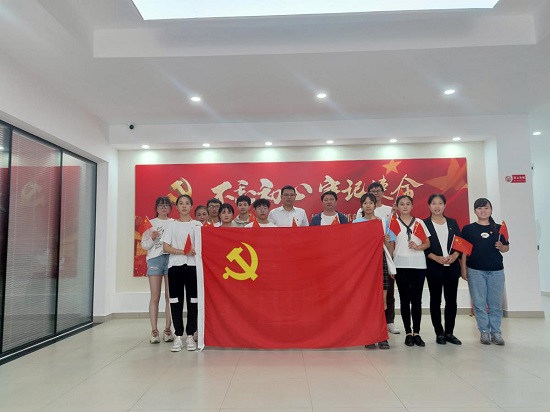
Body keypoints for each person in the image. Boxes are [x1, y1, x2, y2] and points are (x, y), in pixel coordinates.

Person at [461, 198, 509, 345]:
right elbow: (464, 251)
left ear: (491, 210)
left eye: (486, 208)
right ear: (475, 211)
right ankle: (484, 331)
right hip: (475, 270)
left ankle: (496, 332)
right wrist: (463, 268)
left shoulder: (499, 228)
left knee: (495, 303)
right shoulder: (468, 229)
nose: (483, 211)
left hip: (496, 270)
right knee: (479, 303)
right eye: (480, 208)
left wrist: (502, 246)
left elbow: (506, 248)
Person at [357, 182, 400, 335]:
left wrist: (387, 241)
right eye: (365, 203)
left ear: (375, 205)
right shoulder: (356, 223)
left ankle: (382, 331)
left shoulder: (383, 222)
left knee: (383, 298)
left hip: (380, 262)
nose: (368, 205)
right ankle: (368, 330)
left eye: (371, 202)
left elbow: (389, 245)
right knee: (366, 297)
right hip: (364, 264)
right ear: (361, 206)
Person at [161, 194, 202, 352]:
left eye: (187, 203)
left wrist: (192, 252)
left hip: (193, 267)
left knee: (193, 301)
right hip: (175, 267)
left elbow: (203, 246)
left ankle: (190, 334)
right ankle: (178, 335)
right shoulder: (171, 225)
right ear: (176, 207)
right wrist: (182, 252)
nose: (184, 206)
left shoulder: (197, 225)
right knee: (175, 301)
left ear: (191, 206)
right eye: (181, 203)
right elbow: (165, 247)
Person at [423, 194, 462, 345]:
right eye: (434, 203)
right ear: (429, 206)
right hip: (434, 267)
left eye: (440, 203)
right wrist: (436, 258)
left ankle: (449, 332)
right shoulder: (424, 224)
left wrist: (455, 256)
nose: (437, 206)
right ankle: (439, 333)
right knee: (435, 300)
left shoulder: (452, 222)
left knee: (451, 301)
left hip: (452, 267)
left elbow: (460, 243)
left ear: (445, 205)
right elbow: (423, 246)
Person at [393, 195, 430, 347]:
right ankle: (408, 332)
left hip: (418, 265)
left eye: (408, 204)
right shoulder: (393, 223)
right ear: (397, 207)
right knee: (404, 299)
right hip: (400, 265)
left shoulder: (419, 222)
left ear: (412, 206)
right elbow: (390, 245)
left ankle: (417, 332)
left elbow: (427, 243)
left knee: (416, 299)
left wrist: (418, 247)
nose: (405, 206)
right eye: (402, 204)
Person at [141, 196, 174, 344]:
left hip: (171, 259)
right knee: (155, 296)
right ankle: (154, 331)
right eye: (161, 205)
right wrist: (152, 238)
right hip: (155, 260)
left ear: (170, 208)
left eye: (166, 205)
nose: (164, 207)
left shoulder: (174, 223)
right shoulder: (150, 223)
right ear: (156, 208)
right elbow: (144, 245)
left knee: (170, 297)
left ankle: (168, 330)